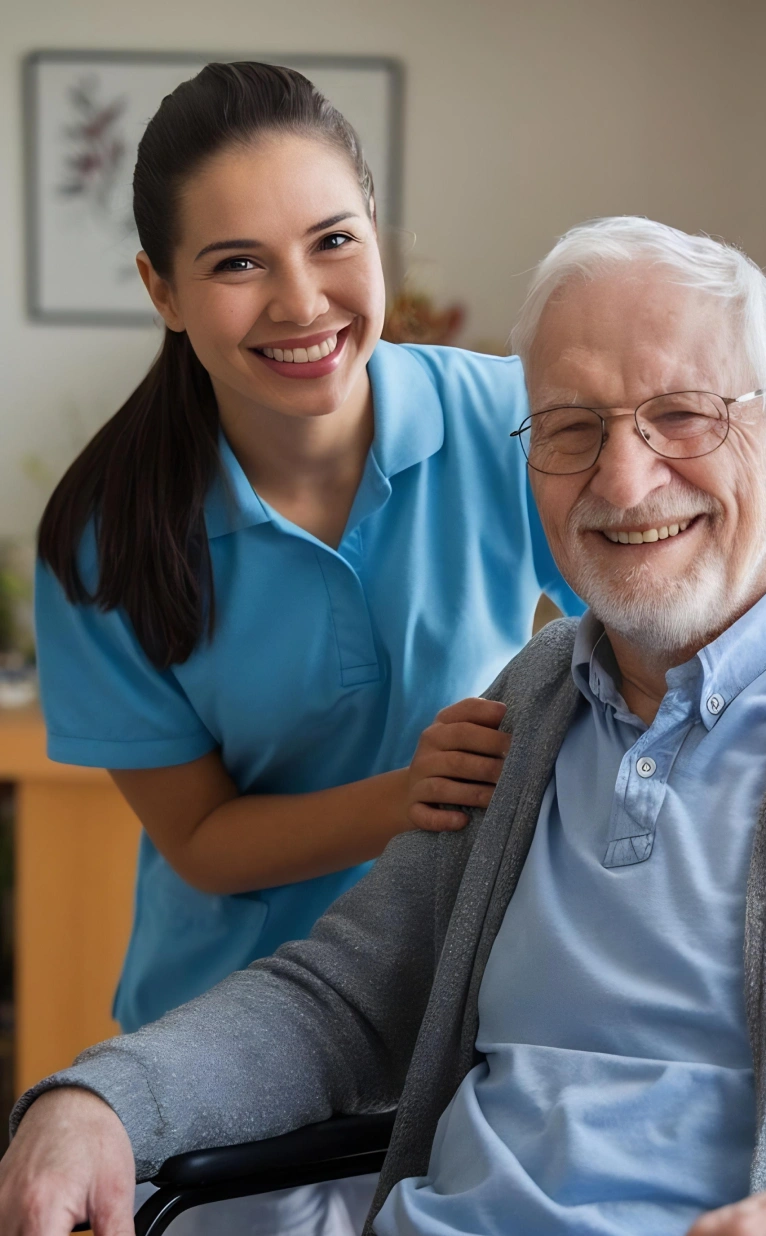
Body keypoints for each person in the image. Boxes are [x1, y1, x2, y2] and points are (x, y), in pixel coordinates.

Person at [4, 217, 766, 1236]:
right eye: (572, 429)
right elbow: (342, 1003)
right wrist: (100, 1099)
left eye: (682, 416)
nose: (623, 484)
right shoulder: (532, 697)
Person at [30, 61, 581, 1235]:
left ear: (377, 240)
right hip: (229, 1059)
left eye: (332, 240)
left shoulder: (508, 420)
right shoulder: (105, 537)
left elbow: (640, 638)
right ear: (162, 289)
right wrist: (415, 794)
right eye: (237, 263)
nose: (300, 301)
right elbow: (203, 842)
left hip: (473, 1015)